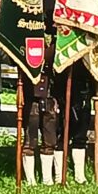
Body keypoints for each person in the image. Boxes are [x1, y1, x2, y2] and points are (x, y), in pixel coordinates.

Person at [23, 42, 59, 185]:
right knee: (30, 141)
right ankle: (30, 180)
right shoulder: (28, 39)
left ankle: (47, 179)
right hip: (31, 95)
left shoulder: (55, 42)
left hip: (50, 96)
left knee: (50, 140)